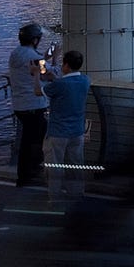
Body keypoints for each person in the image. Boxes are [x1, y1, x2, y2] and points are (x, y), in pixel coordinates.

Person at [42, 48, 90, 200]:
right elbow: (64, 85)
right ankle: (77, 196)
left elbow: (39, 91)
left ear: (67, 66)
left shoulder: (60, 84)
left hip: (58, 132)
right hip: (77, 132)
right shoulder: (85, 80)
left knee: (55, 167)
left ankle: (54, 198)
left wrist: (37, 73)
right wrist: (55, 76)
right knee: (76, 166)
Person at [8, 22, 53, 187]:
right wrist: (54, 59)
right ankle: (30, 175)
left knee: (27, 140)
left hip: (19, 105)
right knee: (35, 141)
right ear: (35, 40)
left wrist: (45, 57)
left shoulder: (15, 54)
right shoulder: (35, 57)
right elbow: (47, 74)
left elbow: (36, 63)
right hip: (33, 105)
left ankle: (24, 175)